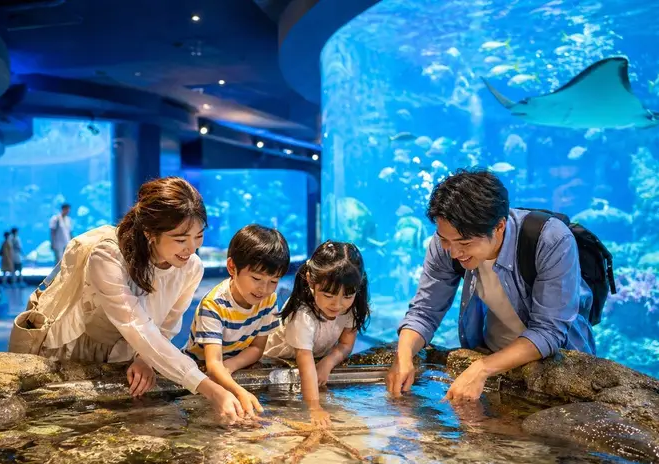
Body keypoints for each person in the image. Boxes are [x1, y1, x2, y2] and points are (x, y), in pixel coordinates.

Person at [13, 177, 244, 424]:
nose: (191, 248)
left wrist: (144, 359)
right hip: (80, 349)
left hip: (129, 353)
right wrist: (210, 389)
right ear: (150, 233)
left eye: (199, 236)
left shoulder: (192, 268)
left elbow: (167, 324)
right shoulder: (108, 256)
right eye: (180, 239)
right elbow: (135, 324)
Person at [386, 168, 595, 402]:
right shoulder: (446, 240)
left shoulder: (551, 240)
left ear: (499, 227)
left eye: (465, 243)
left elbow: (548, 332)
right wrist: (403, 357)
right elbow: (425, 312)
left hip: (554, 371)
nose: (454, 252)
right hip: (493, 356)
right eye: (445, 239)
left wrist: (482, 368)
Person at [184, 224, 290, 416]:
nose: (264, 289)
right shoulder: (213, 305)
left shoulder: (268, 300)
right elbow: (213, 364)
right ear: (232, 267)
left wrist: (230, 366)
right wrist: (240, 391)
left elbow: (257, 348)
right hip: (199, 371)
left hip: (232, 366)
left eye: (273, 281)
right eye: (256, 278)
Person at [264, 241, 370, 427]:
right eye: (328, 296)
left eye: (347, 296)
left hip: (314, 357)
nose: (337, 305)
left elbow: (346, 344)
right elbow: (305, 364)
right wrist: (314, 408)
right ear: (311, 281)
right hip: (276, 359)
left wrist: (328, 363)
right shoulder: (302, 314)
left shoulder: (352, 306)